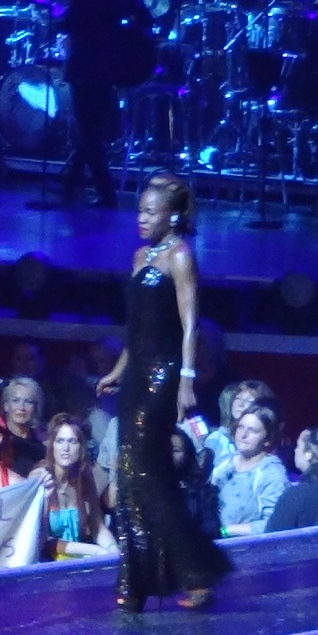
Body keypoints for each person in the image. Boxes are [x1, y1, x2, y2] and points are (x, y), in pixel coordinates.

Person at [96, 177, 232, 611]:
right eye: (139, 211)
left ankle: (197, 570)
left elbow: (190, 323)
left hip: (164, 375)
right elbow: (135, 329)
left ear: (171, 216)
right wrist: (118, 370)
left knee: (150, 476)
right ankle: (137, 578)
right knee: (130, 476)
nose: (141, 219)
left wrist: (187, 378)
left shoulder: (180, 256)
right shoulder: (139, 257)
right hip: (137, 374)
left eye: (150, 213)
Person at [54, 0, 150, 207]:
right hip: (110, 66)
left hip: (84, 63)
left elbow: (68, 23)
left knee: (87, 130)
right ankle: (69, 184)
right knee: (91, 129)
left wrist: (53, 16)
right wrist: (120, 36)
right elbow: (145, 19)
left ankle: (107, 193)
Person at [32, 414, 113, 559]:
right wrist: (94, 550)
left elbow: (97, 527)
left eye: (72, 441)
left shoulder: (85, 478)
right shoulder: (40, 478)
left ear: (81, 447)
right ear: (52, 445)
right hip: (47, 561)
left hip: (79, 558)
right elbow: (40, 539)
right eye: (60, 441)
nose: (66, 448)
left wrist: (113, 549)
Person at [209, 404, 287, 538]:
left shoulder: (272, 473)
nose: (243, 435)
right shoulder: (225, 466)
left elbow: (273, 524)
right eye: (241, 427)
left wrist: (225, 531)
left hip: (249, 547)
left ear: (267, 439)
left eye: (253, 430)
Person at [0, 377, 47, 477]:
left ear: (35, 408)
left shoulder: (40, 449)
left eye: (28, 402)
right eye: (16, 400)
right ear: (6, 405)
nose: (21, 407)